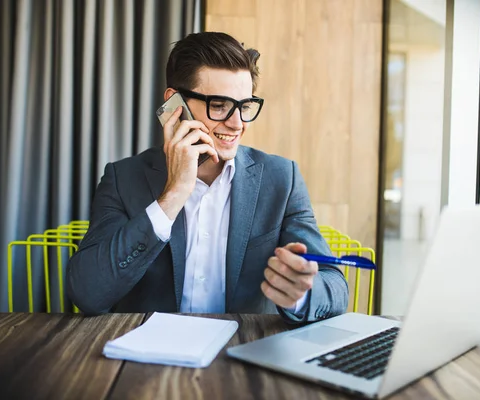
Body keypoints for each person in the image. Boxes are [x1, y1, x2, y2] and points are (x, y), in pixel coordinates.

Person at [66, 32, 348, 323]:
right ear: (175, 104)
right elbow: (88, 292)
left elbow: (335, 287)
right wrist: (172, 195)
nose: (237, 124)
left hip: (243, 353)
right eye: (219, 105)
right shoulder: (123, 178)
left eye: (245, 106)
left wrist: (300, 293)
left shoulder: (281, 180)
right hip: (150, 358)